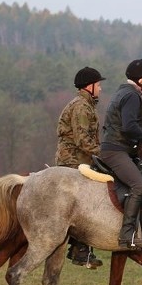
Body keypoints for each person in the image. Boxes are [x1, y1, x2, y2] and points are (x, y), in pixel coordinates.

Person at [100, 59, 142, 249]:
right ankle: (127, 236)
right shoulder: (132, 96)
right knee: (140, 185)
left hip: (115, 147)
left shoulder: (121, 92)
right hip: (116, 150)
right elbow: (129, 126)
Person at [55, 66, 106, 268]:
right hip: (74, 161)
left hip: (82, 158)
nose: (100, 89)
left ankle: (81, 247)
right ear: (90, 86)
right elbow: (83, 141)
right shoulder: (81, 107)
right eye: (99, 85)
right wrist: (106, 154)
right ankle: (80, 249)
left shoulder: (86, 105)